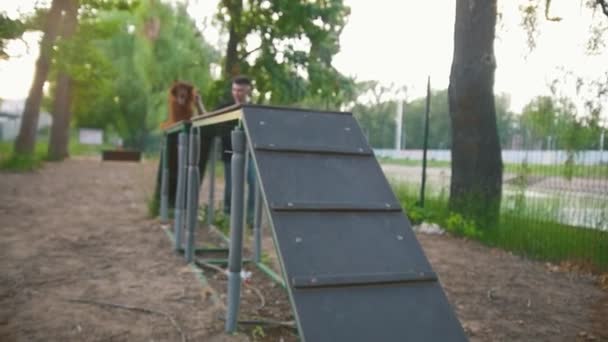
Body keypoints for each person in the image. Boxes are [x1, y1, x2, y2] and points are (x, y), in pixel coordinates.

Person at [213, 75, 256, 225]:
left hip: (250, 154)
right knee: (231, 187)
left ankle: (251, 219)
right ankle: (227, 216)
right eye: (235, 90)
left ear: (248, 91)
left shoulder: (253, 108)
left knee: (254, 183)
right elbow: (208, 118)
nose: (237, 93)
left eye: (241, 90)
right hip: (229, 153)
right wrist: (199, 103)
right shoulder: (224, 107)